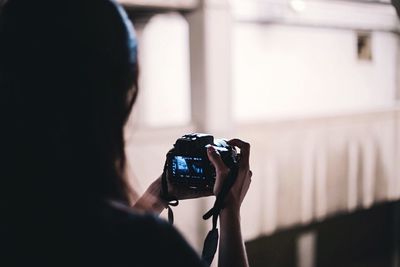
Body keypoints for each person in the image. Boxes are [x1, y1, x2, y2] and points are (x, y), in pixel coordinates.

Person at [0, 0, 252, 266]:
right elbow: (107, 242)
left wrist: (159, 194)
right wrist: (229, 208)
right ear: (121, 97)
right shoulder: (150, 245)